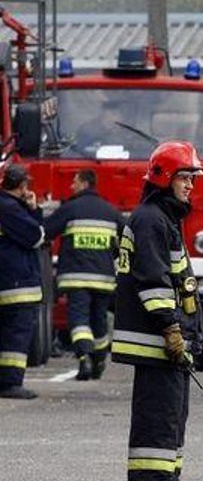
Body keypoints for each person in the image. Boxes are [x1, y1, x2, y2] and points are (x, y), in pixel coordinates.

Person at [112, 141, 203, 481]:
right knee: (160, 411)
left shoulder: (162, 217)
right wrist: (171, 328)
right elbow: (153, 280)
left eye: (192, 179)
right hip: (156, 338)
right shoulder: (152, 219)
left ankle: (166, 475)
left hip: (165, 337)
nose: (189, 185)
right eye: (184, 177)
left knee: (171, 410)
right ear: (164, 176)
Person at [43, 170, 124, 380]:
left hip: (76, 277)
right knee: (99, 319)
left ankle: (83, 358)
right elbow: (129, 241)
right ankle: (98, 360)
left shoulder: (70, 209)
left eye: (75, 182)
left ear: (85, 183)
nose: (71, 186)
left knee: (78, 319)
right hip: (104, 279)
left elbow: (45, 233)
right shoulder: (111, 212)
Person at [0, 164, 44, 400]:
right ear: (23, 186)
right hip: (17, 284)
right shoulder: (10, 208)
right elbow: (36, 237)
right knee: (16, 335)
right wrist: (33, 209)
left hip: (6, 280)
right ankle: (10, 383)